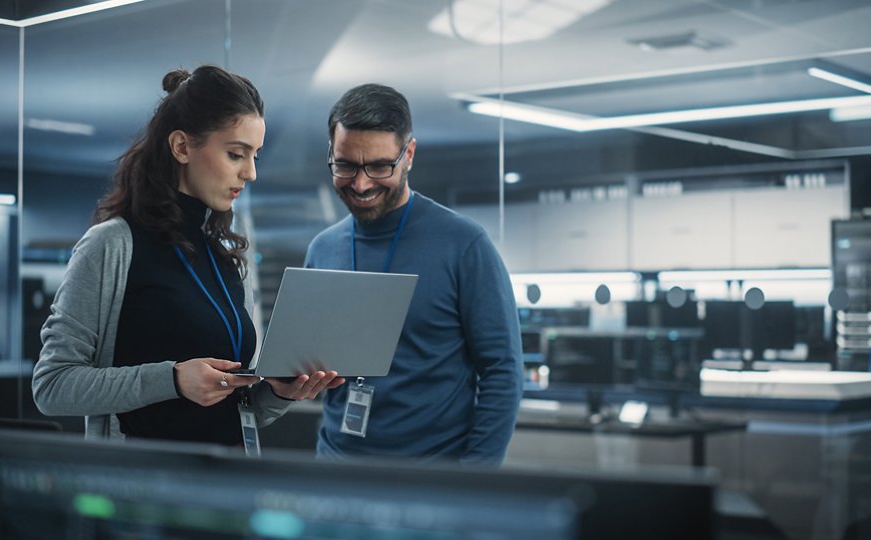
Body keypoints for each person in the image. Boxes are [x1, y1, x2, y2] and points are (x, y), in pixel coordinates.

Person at [32, 65, 344, 444]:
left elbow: (239, 411)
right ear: (181, 147)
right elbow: (52, 386)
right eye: (236, 154)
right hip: (143, 491)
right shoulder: (111, 245)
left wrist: (279, 393)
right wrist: (174, 379)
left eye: (255, 157)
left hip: (228, 487)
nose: (250, 174)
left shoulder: (223, 256)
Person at [304, 83, 523, 466]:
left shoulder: (464, 245)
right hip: (337, 468)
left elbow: (502, 370)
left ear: (409, 155)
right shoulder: (322, 249)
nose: (361, 183)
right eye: (346, 165)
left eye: (379, 166)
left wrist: (474, 476)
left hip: (431, 475)